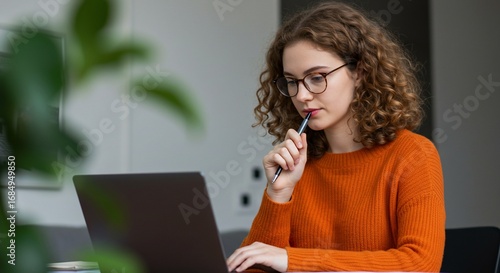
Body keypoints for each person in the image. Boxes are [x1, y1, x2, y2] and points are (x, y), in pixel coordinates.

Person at [226, 1, 445, 272]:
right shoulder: (298, 166)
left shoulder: (412, 154)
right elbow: (253, 267)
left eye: (316, 77)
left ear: (360, 72)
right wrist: (278, 193)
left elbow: (420, 265)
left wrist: (293, 260)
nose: (302, 95)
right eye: (292, 82)